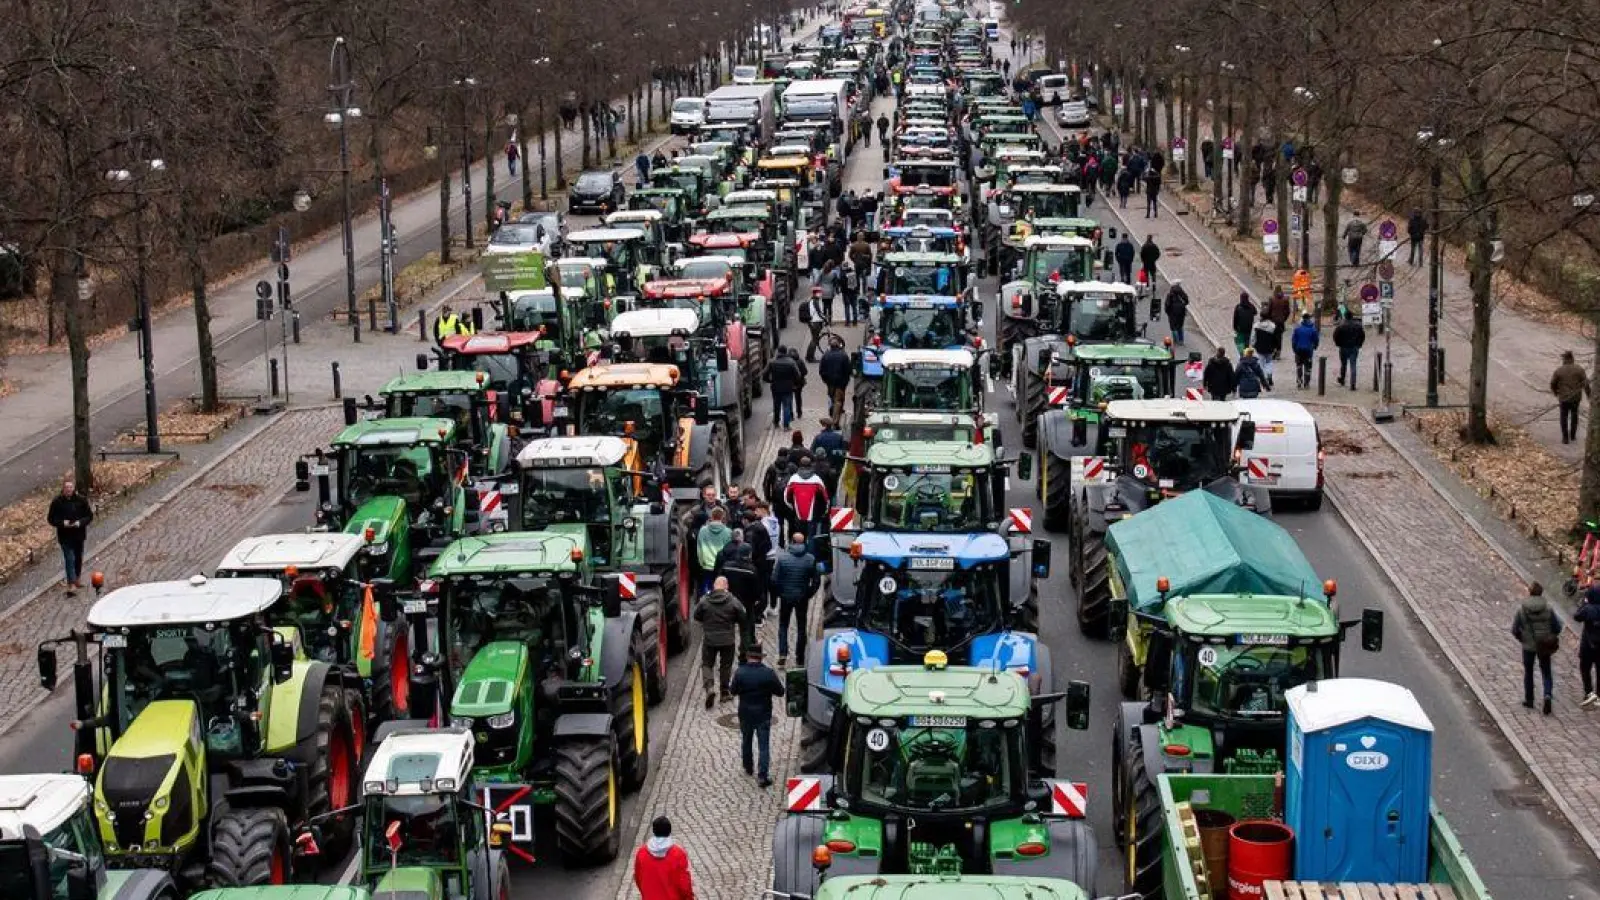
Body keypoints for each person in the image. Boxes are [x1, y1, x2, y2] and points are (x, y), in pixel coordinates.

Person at [728, 645, 784, 786]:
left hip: (745, 712)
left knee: (746, 740)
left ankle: (748, 766)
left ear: (748, 656)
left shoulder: (740, 672)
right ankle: (762, 776)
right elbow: (780, 692)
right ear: (760, 657)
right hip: (763, 713)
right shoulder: (768, 673)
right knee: (763, 745)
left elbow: (733, 691)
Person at [693, 577, 746, 708]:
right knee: (726, 666)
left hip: (710, 640)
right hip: (728, 640)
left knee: (707, 664)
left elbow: (696, 615)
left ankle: (710, 688)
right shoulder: (733, 601)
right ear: (726, 586)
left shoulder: (705, 601)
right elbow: (742, 615)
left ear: (714, 586)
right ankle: (724, 692)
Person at [1512, 581, 1563, 715]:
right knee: (1546, 671)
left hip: (1528, 646)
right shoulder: (1548, 608)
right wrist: (1549, 636)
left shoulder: (1522, 609)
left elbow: (1515, 629)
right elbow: (1557, 627)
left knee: (1528, 672)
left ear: (1530, 593)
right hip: (1544, 645)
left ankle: (1529, 699)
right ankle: (1547, 694)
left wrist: (1522, 638)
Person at [772, 532, 820, 668]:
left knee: (783, 625)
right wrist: (808, 594)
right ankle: (800, 657)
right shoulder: (810, 559)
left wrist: (780, 593)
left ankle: (782, 653)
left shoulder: (782, 558)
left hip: (786, 597)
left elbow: (774, 579)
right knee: (801, 627)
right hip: (802, 597)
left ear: (791, 542)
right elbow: (816, 581)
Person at [634, 817, 695, 900]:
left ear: (654, 831)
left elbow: (638, 878)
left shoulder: (642, 853)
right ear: (669, 831)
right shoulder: (678, 854)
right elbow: (684, 884)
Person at [47, 480, 92, 591]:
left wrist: (80, 523)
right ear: (63, 489)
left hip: (78, 535)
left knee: (78, 558)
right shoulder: (57, 502)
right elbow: (51, 519)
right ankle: (71, 583)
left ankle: (77, 578)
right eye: (66, 487)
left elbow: (89, 516)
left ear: (74, 488)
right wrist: (62, 523)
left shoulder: (81, 500)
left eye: (70, 487)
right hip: (65, 536)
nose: (69, 489)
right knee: (69, 558)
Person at [784, 455, 829, 540]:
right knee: (811, 537)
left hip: (798, 515)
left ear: (799, 465)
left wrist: (793, 507)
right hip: (812, 515)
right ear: (810, 465)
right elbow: (825, 498)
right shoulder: (816, 479)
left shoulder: (793, 479)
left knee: (800, 537)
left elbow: (786, 497)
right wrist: (822, 511)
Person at [1550, 351, 1590, 444]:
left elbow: (1553, 383)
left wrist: (1556, 392)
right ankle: (1572, 435)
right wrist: (1589, 395)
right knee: (1574, 415)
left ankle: (1565, 438)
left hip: (1563, 398)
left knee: (1563, 416)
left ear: (1565, 359)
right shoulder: (1579, 369)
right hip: (1575, 397)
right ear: (1572, 359)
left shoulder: (1559, 370)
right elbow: (1586, 383)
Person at [696, 508, 735, 595]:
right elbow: (729, 550)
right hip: (721, 566)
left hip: (707, 566)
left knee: (707, 589)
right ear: (722, 517)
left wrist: (702, 563)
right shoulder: (728, 532)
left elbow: (699, 549)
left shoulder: (702, 530)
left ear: (711, 517)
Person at [765, 346, 802, 429]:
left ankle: (776, 422)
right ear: (786, 352)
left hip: (775, 387)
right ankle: (786, 425)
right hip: (788, 388)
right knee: (787, 406)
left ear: (778, 351)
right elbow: (798, 375)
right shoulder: (791, 362)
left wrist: (770, 381)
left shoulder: (772, 362)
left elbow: (764, 374)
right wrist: (794, 384)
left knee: (776, 405)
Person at [1576, 587, 1600, 708]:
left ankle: (1588, 692)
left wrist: (1583, 604)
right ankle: (1599, 695)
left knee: (1585, 668)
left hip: (1588, 645)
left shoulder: (1588, 609)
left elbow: (1576, 616)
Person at [819, 338, 851, 421]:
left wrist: (825, 380)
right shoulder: (843, 355)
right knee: (838, 400)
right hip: (840, 383)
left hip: (830, 382)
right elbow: (848, 370)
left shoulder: (826, 355)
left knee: (831, 397)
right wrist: (845, 381)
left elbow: (821, 370)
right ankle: (835, 420)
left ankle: (832, 411)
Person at [1333, 311, 1366, 388]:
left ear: (1345, 317)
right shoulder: (1358, 326)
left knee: (1343, 364)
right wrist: (1359, 344)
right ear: (1352, 317)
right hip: (1354, 347)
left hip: (1343, 347)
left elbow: (1335, 336)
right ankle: (1353, 383)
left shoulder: (1341, 326)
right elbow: (1362, 336)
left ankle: (1342, 379)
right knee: (1353, 365)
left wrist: (1338, 344)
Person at [1291, 314, 1320, 389]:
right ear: (1309, 320)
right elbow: (1316, 340)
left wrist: (1294, 349)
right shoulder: (1313, 330)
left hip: (1299, 350)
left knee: (1299, 366)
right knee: (1308, 367)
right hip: (1308, 351)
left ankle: (1299, 382)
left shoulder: (1297, 329)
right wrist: (1315, 346)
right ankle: (1306, 383)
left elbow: (1293, 341)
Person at [1251, 317, 1281, 388]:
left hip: (1260, 347)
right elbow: (1276, 337)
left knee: (1261, 363)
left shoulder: (1256, 326)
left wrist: (1253, 344)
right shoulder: (1272, 326)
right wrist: (1276, 347)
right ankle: (1269, 375)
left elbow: (1253, 337)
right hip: (1269, 348)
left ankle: (1262, 378)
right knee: (1269, 362)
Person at [800, 287, 828, 362]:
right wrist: (825, 319)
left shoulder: (813, 301)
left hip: (813, 322)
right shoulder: (815, 301)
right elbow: (819, 312)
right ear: (816, 293)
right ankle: (810, 357)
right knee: (814, 340)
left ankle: (808, 356)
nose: (821, 294)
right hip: (815, 323)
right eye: (819, 292)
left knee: (814, 340)